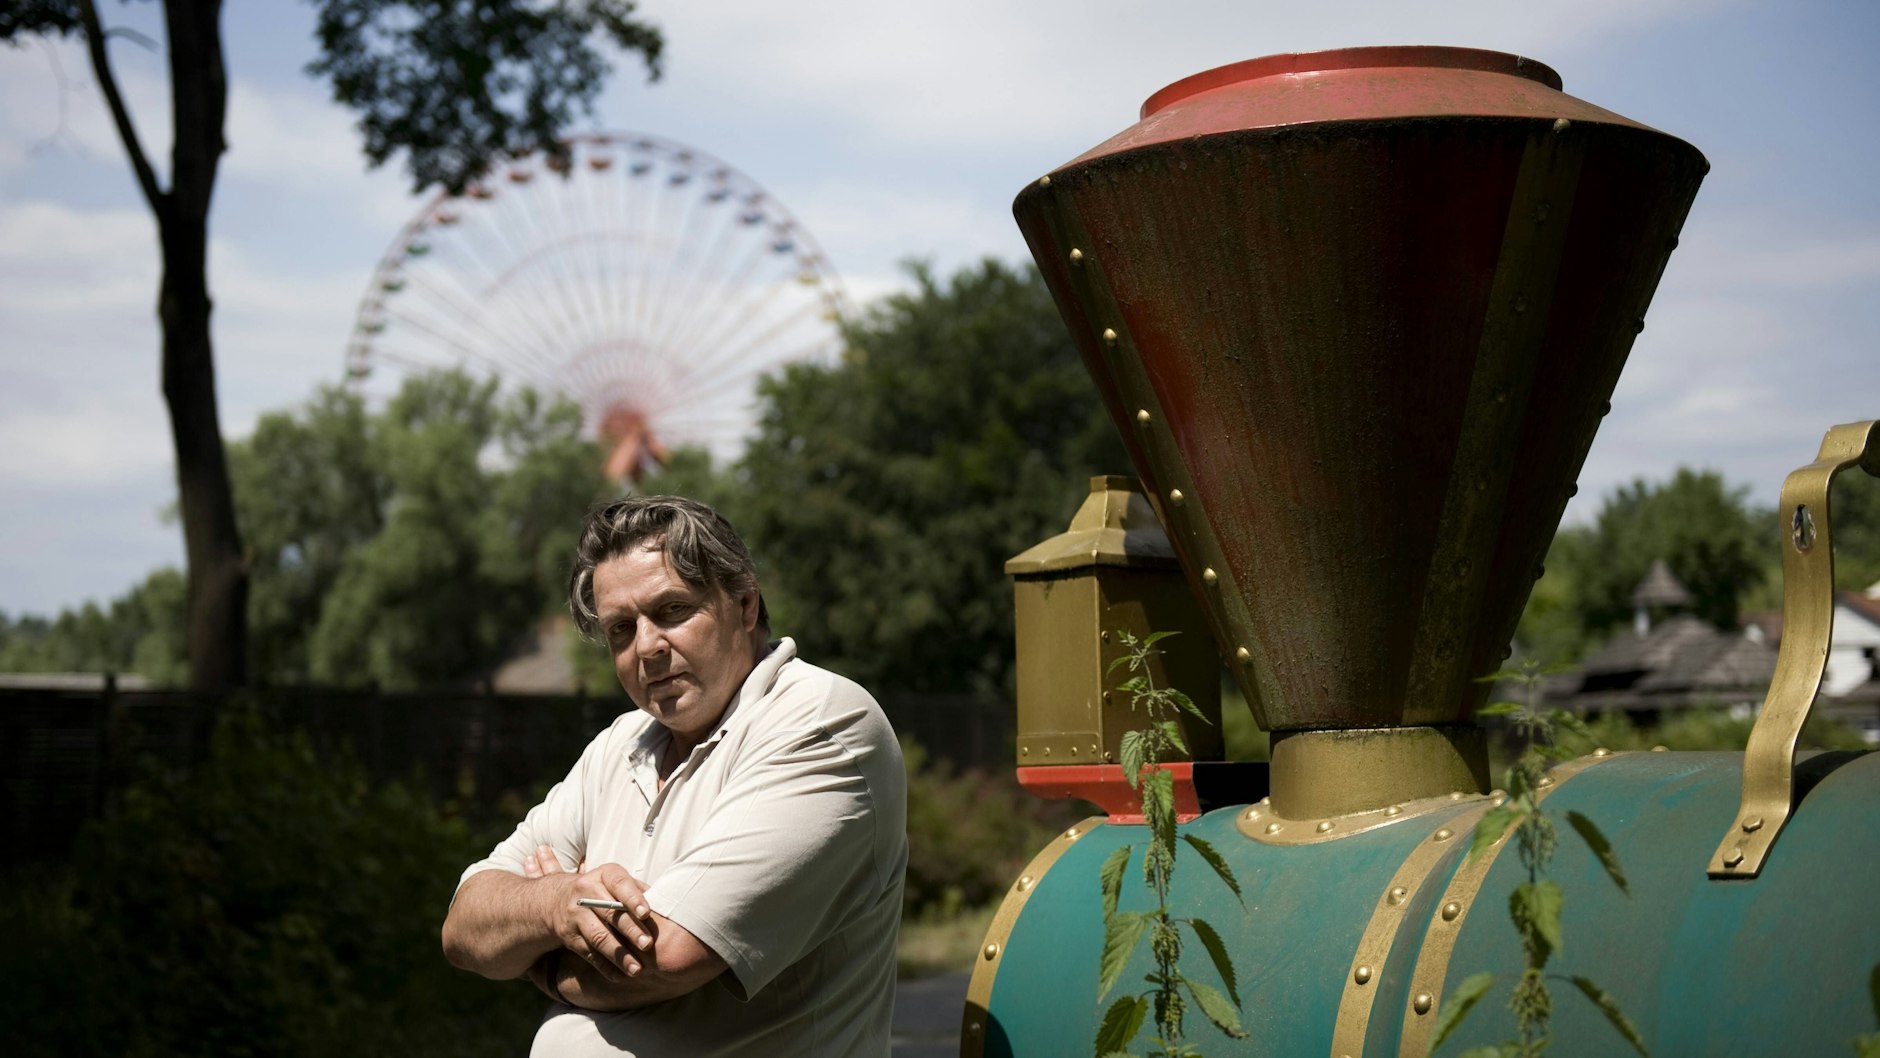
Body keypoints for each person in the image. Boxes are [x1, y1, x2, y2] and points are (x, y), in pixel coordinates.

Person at [442, 496, 908, 1056]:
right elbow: (463, 928)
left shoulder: (819, 721)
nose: (646, 648)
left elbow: (667, 958)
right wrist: (560, 902)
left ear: (745, 604)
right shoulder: (619, 745)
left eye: (671, 611)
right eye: (620, 628)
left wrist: (538, 960)